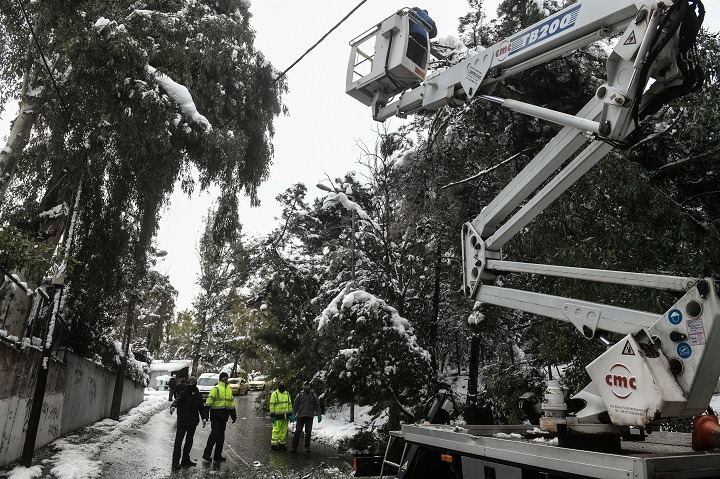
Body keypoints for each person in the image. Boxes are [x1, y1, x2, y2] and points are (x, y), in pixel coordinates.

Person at [169, 376, 207, 469]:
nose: (190, 385)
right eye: (189, 383)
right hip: (182, 421)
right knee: (178, 442)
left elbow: (201, 408)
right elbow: (177, 400)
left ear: (195, 383)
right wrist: (173, 406)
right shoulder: (183, 393)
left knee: (189, 442)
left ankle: (185, 460)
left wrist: (204, 418)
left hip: (193, 422)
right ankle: (175, 462)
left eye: (192, 383)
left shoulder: (198, 395)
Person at [202, 372, 237, 462]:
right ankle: (206, 454)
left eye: (226, 377)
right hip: (216, 416)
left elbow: (231, 404)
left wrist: (233, 415)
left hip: (224, 417)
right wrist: (205, 415)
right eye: (223, 377)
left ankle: (217, 455)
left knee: (221, 437)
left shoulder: (229, 390)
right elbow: (209, 402)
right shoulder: (216, 389)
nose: (225, 379)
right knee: (214, 435)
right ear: (220, 378)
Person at [291, 381, 321, 453]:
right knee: (298, 431)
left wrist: (319, 413)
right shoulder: (300, 395)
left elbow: (317, 404)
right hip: (301, 416)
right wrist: (293, 413)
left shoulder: (313, 395)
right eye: (305, 386)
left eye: (307, 386)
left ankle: (307, 447)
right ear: (303, 386)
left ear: (309, 386)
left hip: (309, 416)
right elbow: (295, 405)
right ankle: (294, 447)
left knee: (308, 431)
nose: (306, 387)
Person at [269, 381, 292, 451]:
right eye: (281, 385)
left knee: (284, 431)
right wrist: (272, 415)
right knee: (276, 430)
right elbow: (272, 405)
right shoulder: (274, 394)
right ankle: (274, 445)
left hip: (285, 416)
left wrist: (290, 414)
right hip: (277, 416)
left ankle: (282, 444)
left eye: (283, 385)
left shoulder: (287, 394)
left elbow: (289, 405)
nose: (282, 387)